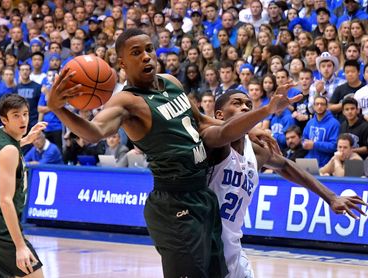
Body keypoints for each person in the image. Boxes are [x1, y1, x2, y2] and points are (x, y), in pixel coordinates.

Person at [47, 28, 302, 277]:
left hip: (203, 197)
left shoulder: (171, 82)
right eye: (136, 53)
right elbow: (94, 131)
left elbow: (201, 121)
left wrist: (245, 131)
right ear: (122, 63)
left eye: (149, 49)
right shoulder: (127, 102)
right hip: (173, 202)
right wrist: (59, 109)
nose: (146, 56)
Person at [208, 90, 367, 278]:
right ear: (219, 114)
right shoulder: (211, 144)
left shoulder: (256, 151)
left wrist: (331, 197)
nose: (244, 107)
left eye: (249, 105)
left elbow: (286, 165)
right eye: (237, 103)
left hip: (232, 248)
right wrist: (259, 118)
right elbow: (199, 122)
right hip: (203, 247)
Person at [0, 94, 47, 277]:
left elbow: (5, 151)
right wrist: (20, 246)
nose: (23, 119)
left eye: (26, 114)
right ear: (4, 119)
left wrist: (27, 140)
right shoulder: (10, 151)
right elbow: (5, 201)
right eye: (16, 115)